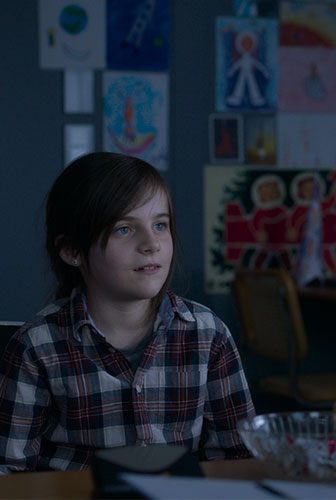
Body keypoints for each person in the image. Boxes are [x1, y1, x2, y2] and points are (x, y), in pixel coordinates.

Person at [0, 152, 255, 473]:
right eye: (124, 229)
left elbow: (237, 460)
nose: (151, 243)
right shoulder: (37, 346)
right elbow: (9, 471)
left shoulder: (209, 334)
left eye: (160, 225)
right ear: (71, 250)